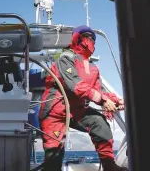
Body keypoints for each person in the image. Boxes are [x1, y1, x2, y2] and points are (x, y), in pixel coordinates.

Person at [39, 25, 128, 171]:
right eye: (86, 36)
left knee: (99, 122)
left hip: (76, 111)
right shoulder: (65, 58)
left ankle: (109, 166)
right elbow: (76, 85)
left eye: (92, 38)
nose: (90, 40)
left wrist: (118, 101)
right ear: (76, 38)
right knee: (53, 158)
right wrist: (104, 101)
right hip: (54, 112)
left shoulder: (93, 68)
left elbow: (98, 91)